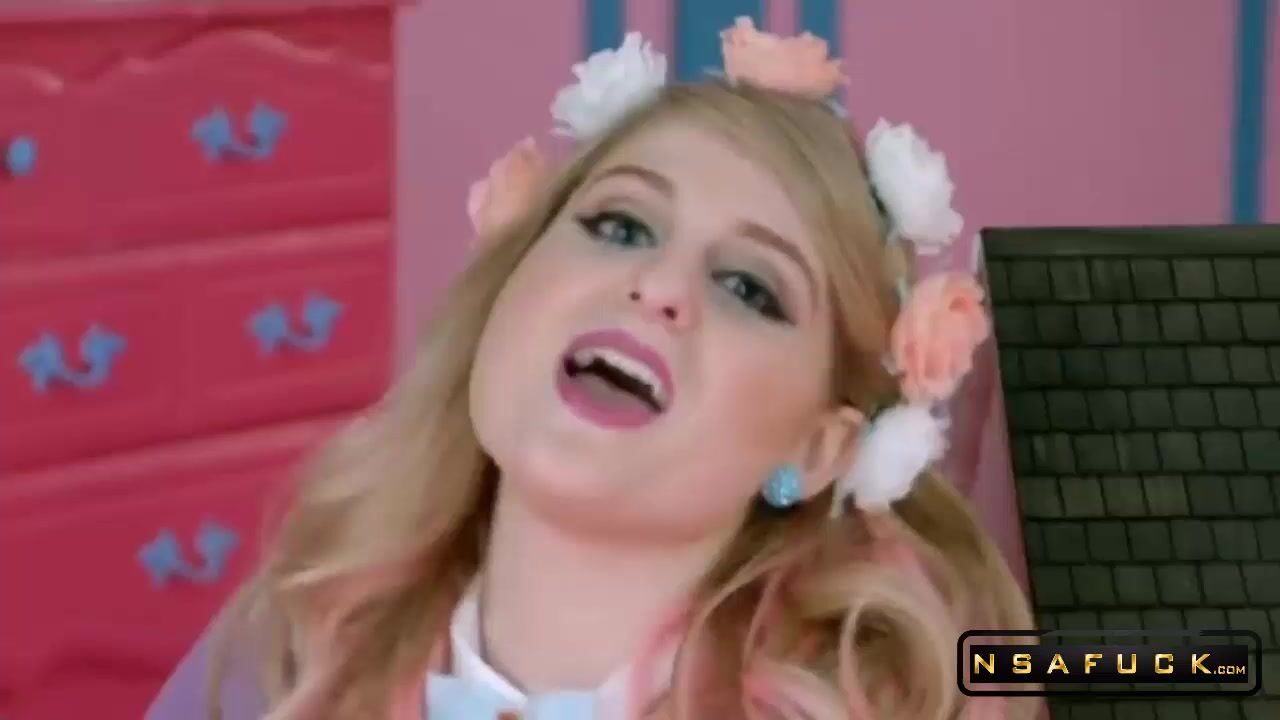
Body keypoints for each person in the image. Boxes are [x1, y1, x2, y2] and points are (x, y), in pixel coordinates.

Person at [148, 18, 1034, 720]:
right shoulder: (286, 648)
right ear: (507, 288)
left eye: (747, 287)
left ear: (819, 450)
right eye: (620, 226)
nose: (659, 286)